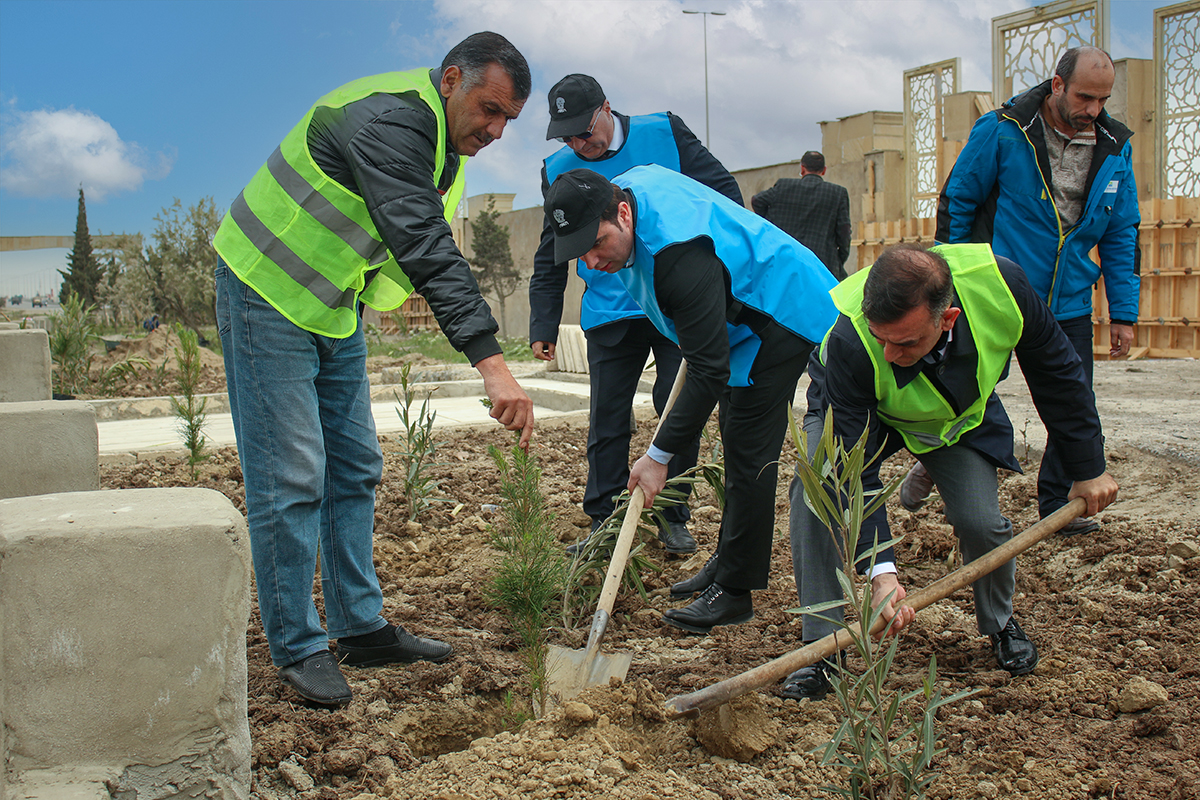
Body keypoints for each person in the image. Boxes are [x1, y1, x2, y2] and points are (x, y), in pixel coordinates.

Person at [212, 32, 535, 707]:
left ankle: (359, 627)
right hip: (266, 288)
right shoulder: (390, 120)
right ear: (451, 79)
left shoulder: (445, 151)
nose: (497, 129)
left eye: (509, 118)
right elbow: (422, 242)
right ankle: (298, 643)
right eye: (490, 108)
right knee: (291, 473)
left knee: (355, 465)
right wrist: (491, 363)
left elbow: (411, 242)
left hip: (332, 304)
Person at [783, 242, 1119, 701]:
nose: (887, 353)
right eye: (881, 338)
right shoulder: (852, 342)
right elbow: (851, 469)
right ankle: (821, 651)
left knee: (982, 522)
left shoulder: (1002, 288)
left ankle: (1000, 623)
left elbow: (1058, 373)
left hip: (953, 420)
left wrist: (1088, 467)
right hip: (864, 414)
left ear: (948, 319)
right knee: (814, 489)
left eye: (903, 343)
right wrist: (881, 572)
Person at [545, 165, 839, 634]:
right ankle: (727, 562)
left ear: (623, 213)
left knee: (748, 449)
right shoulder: (631, 187)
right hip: (741, 310)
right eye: (579, 252)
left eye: (597, 244)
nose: (592, 263)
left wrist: (658, 456)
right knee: (735, 435)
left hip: (782, 312)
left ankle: (735, 591)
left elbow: (708, 367)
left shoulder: (678, 256)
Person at [530, 74, 745, 556]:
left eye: (584, 131)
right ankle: (603, 519)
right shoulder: (557, 168)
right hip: (610, 307)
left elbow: (722, 193)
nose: (577, 144)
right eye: (565, 136)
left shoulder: (664, 133)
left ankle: (672, 512)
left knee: (676, 403)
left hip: (675, 299)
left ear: (606, 108)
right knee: (607, 415)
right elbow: (550, 251)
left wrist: (715, 277)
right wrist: (543, 321)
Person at [932, 45, 1139, 536]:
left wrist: (1124, 312)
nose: (1093, 109)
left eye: (1102, 99)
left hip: (1067, 302)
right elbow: (958, 202)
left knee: (1073, 398)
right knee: (967, 391)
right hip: (994, 293)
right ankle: (940, 472)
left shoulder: (1115, 145)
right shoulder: (1004, 131)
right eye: (1085, 96)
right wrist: (949, 285)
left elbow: (1122, 230)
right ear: (1058, 84)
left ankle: (1057, 504)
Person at [751, 150, 851, 281]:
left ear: (802, 168)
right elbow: (844, 232)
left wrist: (771, 225)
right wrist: (839, 258)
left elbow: (757, 201)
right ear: (824, 170)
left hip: (786, 260)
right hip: (822, 265)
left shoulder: (784, 187)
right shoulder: (837, 193)